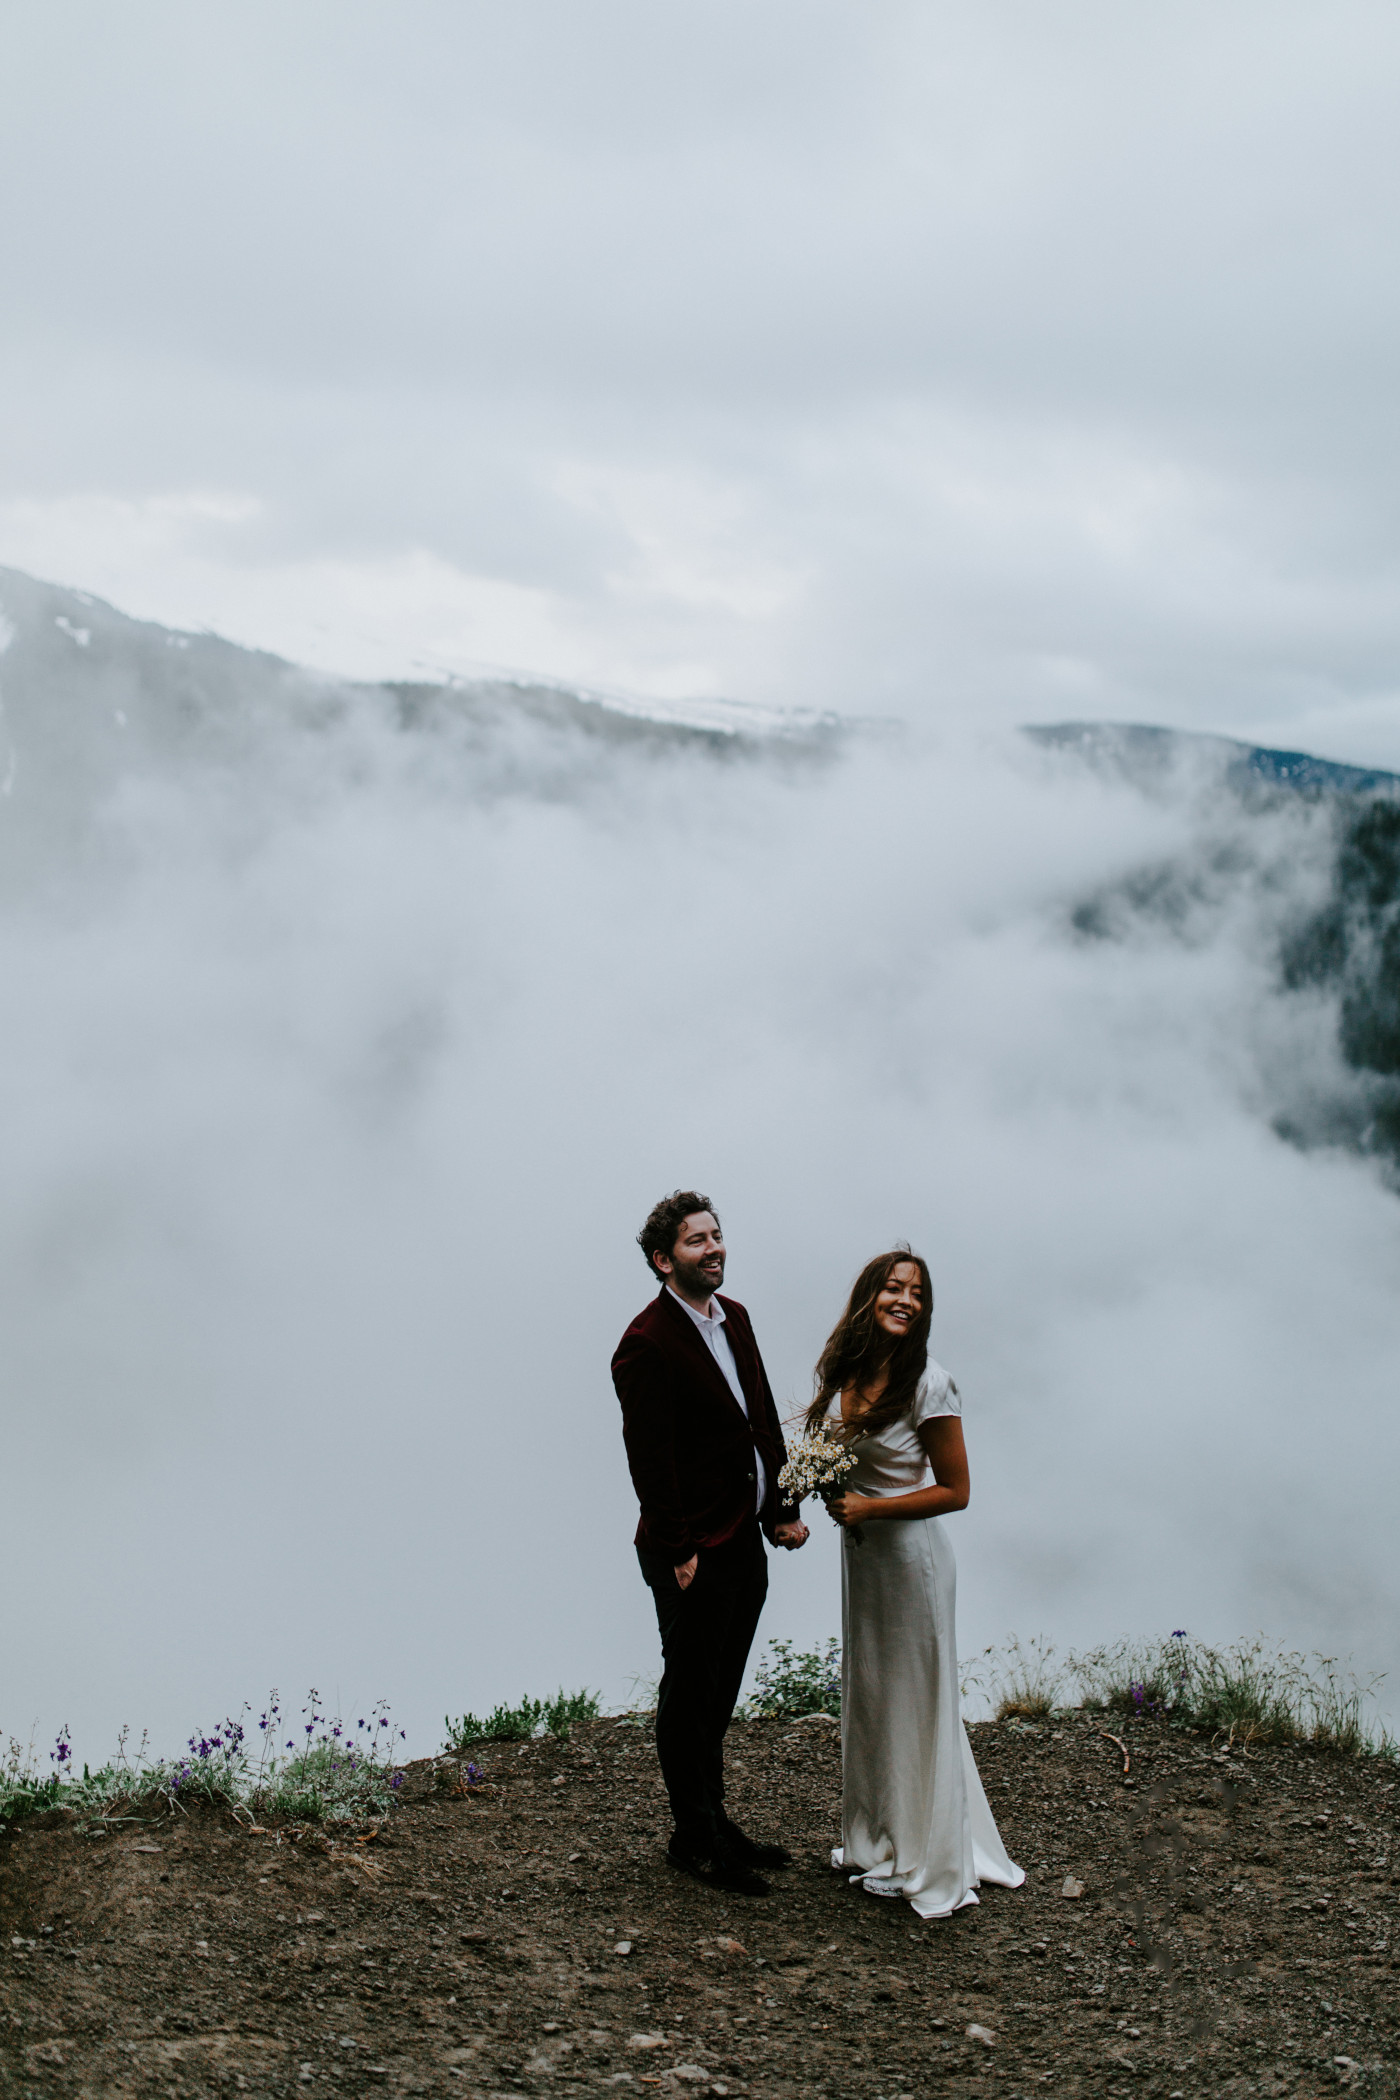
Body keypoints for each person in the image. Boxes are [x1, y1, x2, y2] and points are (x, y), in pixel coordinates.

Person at [810, 1246, 1024, 1919]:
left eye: (918, 1293)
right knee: (873, 1698)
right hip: (865, 1561)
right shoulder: (844, 1370)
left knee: (916, 1702)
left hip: (912, 1563)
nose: (905, 1300)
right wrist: (823, 1487)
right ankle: (881, 1837)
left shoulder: (931, 1383)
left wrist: (871, 1508)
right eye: (893, 1288)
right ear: (868, 1297)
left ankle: (931, 1857)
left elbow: (957, 1491)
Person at [613, 1190, 810, 1896]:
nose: (715, 1248)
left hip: (743, 1541)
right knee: (689, 1693)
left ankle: (714, 1821)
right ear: (665, 1260)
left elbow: (760, 1421)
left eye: (717, 1235)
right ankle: (693, 1839)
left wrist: (782, 1507)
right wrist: (678, 1549)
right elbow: (649, 1458)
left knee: (718, 1692)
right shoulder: (646, 1343)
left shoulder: (739, 1320)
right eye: (697, 1241)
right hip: (691, 1549)